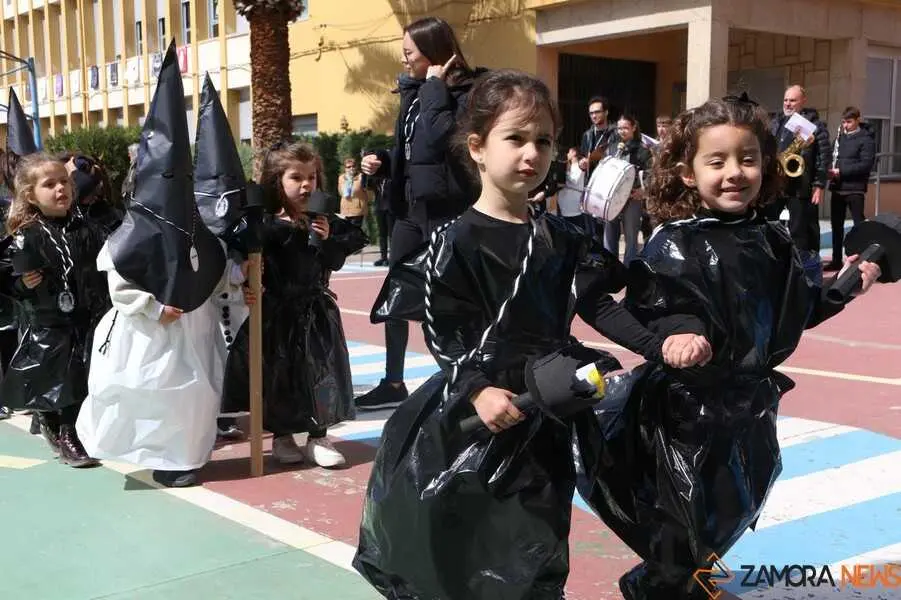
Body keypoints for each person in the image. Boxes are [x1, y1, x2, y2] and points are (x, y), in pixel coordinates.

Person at [353, 69, 711, 600]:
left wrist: (660, 345)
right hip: (476, 412)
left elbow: (600, 305)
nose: (532, 153)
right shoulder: (456, 239)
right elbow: (444, 330)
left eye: (543, 140)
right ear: (476, 147)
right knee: (466, 534)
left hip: (546, 407)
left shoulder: (562, 238)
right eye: (515, 138)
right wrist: (477, 388)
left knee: (539, 531)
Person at [575, 96, 882, 600]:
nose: (734, 173)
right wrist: (672, 337)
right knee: (682, 516)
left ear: (765, 162)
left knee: (733, 506)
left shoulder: (774, 240)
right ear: (688, 173)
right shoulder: (673, 243)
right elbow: (655, 306)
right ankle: (659, 586)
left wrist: (850, 282)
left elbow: (797, 309)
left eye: (747, 158)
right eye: (716, 162)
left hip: (750, 407)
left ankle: (681, 581)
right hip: (686, 412)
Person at [76, 44, 231, 488]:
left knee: (194, 394)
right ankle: (159, 451)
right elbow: (120, 282)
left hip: (193, 326)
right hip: (151, 330)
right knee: (152, 392)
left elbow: (217, 272)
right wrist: (151, 307)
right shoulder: (131, 235)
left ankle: (187, 455)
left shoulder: (199, 230)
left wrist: (232, 288)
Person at [354, 16, 485, 411]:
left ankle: (466, 380)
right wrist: (383, 160)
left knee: (448, 302)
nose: (402, 58)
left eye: (409, 51)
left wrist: (434, 87)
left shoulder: (469, 92)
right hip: (412, 212)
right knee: (397, 293)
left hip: (449, 214)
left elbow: (448, 138)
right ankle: (394, 382)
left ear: (433, 54)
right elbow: (414, 151)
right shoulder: (413, 93)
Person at [221, 141, 367, 468]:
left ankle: (318, 435)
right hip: (275, 311)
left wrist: (327, 238)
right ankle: (283, 436)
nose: (305, 185)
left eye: (312, 177)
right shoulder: (265, 225)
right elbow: (246, 261)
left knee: (320, 372)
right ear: (277, 181)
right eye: (295, 177)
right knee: (278, 375)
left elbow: (337, 258)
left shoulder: (322, 222)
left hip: (315, 312)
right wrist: (248, 284)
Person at [1, 154, 110, 467]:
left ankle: (66, 426)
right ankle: (66, 433)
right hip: (49, 322)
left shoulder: (86, 227)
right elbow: (8, 280)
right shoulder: (26, 235)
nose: (61, 188)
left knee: (83, 375)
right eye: (50, 184)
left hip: (87, 315)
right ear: (30, 195)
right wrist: (24, 284)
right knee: (59, 377)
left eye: (64, 181)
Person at [765, 85, 831, 284]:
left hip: (801, 185)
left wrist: (819, 185)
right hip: (777, 184)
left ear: (803, 101)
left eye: (792, 100)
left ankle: (805, 270)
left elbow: (824, 157)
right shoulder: (776, 123)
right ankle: (774, 265)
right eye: (786, 100)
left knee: (801, 230)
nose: (788, 104)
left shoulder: (815, 126)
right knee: (770, 224)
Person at [826, 106, 876, 270]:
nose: (845, 125)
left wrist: (842, 172)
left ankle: (863, 260)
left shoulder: (866, 139)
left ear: (857, 120)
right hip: (838, 188)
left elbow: (865, 165)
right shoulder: (840, 138)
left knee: (858, 225)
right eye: (843, 122)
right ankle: (836, 259)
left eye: (849, 122)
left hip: (855, 189)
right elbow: (832, 158)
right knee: (836, 225)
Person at [603, 115, 652, 264]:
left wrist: (643, 191)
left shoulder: (643, 150)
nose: (621, 131)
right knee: (609, 235)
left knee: (631, 237)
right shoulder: (612, 147)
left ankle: (629, 270)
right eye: (619, 128)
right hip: (612, 199)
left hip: (632, 198)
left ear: (633, 128)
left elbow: (650, 174)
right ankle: (610, 269)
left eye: (625, 128)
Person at [337, 157, 369, 229]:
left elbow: (368, 193)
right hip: (345, 210)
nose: (351, 168)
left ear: (356, 167)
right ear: (345, 168)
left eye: (353, 166)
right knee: (346, 232)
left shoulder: (361, 177)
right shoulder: (341, 178)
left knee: (355, 231)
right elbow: (340, 192)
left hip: (358, 211)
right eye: (348, 167)